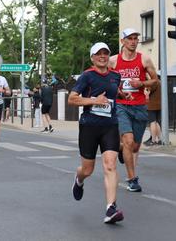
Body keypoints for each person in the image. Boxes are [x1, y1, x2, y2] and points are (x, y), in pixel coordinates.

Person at [68, 42, 123, 224]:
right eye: (98, 54)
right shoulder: (87, 76)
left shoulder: (116, 76)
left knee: (110, 165)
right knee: (88, 169)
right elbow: (72, 99)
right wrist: (93, 100)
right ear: (92, 57)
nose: (102, 56)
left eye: (105, 53)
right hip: (89, 127)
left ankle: (111, 208)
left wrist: (123, 95)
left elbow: (113, 91)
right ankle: (79, 179)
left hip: (110, 126)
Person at [109, 28, 158, 192]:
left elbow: (155, 81)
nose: (133, 41)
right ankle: (132, 179)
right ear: (122, 41)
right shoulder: (113, 61)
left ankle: (123, 149)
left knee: (135, 146)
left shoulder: (144, 59)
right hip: (121, 105)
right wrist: (116, 91)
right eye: (130, 38)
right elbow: (106, 80)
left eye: (136, 38)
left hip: (139, 106)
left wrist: (142, 84)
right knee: (129, 140)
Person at [145, 79, 162, 146]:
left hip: (152, 105)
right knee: (157, 122)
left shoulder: (152, 82)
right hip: (159, 105)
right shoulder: (160, 82)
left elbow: (147, 92)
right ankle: (160, 139)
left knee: (152, 122)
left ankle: (153, 140)